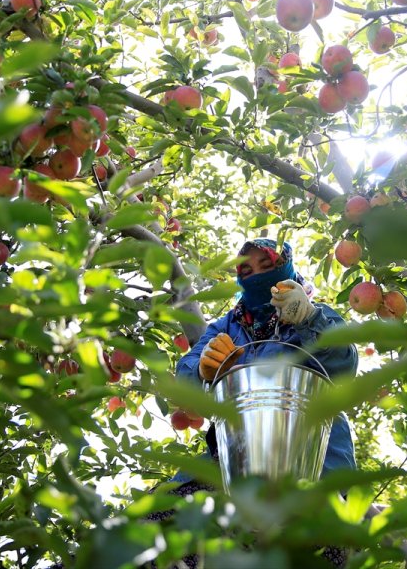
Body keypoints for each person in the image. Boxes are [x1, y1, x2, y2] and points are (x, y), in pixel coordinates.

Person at [143, 238, 358, 567]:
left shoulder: (316, 314)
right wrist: (205, 372)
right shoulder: (228, 325)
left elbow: (344, 365)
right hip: (232, 463)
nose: (255, 275)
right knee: (158, 527)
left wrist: (308, 318)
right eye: (246, 268)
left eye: (266, 266)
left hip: (315, 464)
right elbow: (187, 385)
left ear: (285, 266)